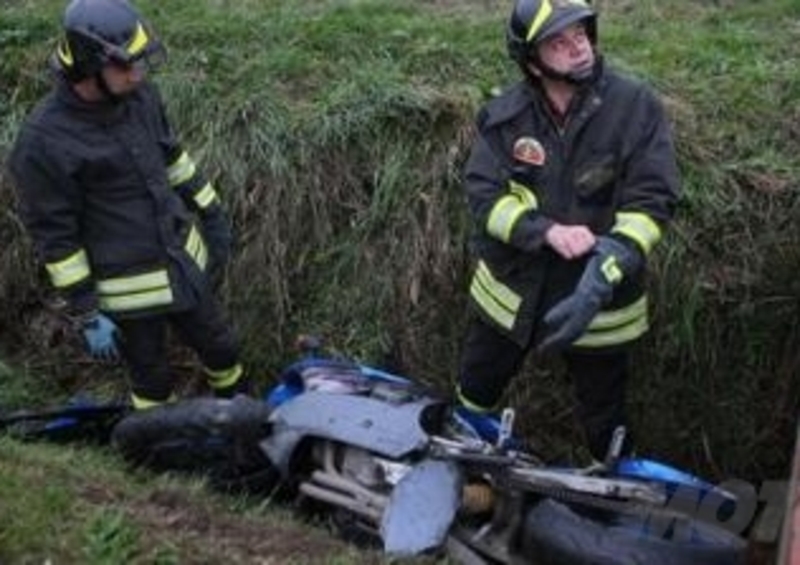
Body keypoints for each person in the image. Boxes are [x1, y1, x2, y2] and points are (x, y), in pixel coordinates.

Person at [454, 0, 680, 461]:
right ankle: (464, 461)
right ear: (533, 62)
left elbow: (652, 201)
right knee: (475, 390)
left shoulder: (635, 108)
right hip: (510, 295)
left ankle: (606, 494)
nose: (577, 48)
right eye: (559, 42)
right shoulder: (504, 116)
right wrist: (545, 232)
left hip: (600, 297)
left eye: (580, 34)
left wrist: (606, 268)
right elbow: (483, 195)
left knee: (604, 416)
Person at [8, 0, 250, 409]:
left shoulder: (141, 97)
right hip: (129, 292)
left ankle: (240, 412)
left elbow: (173, 158)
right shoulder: (42, 144)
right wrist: (86, 312)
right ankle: (160, 453)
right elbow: (56, 237)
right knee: (152, 379)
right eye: (126, 65)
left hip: (182, 265)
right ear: (88, 65)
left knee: (222, 348)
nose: (137, 73)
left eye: (140, 62)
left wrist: (211, 213)